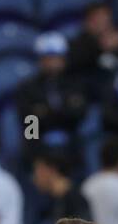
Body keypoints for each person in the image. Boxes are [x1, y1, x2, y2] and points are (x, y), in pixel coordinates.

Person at [16, 31, 92, 162]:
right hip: (38, 144)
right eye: (48, 58)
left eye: (56, 58)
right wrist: (63, 112)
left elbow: (79, 115)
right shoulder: (27, 88)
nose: (52, 63)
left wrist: (45, 113)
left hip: (71, 143)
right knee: (29, 143)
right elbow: (29, 123)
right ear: (40, 60)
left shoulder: (76, 85)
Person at [31, 154, 91, 224]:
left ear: (51, 170)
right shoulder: (50, 202)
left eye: (37, 171)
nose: (34, 178)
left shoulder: (77, 201)